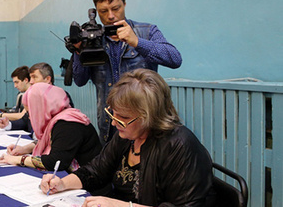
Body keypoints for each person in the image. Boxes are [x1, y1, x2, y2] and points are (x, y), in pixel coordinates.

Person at [40, 69, 214, 207]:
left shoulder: (179, 145)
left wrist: (120, 205)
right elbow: (96, 170)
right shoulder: (127, 135)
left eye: (122, 118)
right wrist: (62, 184)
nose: (114, 124)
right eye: (112, 114)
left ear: (149, 117)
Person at [72, 0, 182, 144]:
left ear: (124, 4)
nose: (110, 16)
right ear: (96, 12)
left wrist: (137, 42)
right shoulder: (92, 39)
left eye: (116, 9)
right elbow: (79, 80)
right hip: (110, 126)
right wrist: (79, 51)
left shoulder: (147, 31)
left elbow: (174, 59)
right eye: (103, 11)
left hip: (146, 124)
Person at [0, 83, 101, 173]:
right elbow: (54, 142)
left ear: (42, 107)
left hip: (92, 189)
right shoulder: (59, 119)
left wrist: (19, 160)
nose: (29, 117)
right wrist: (24, 149)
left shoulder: (67, 125)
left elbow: (55, 162)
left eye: (31, 112)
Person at [0, 62, 74, 131]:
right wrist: (8, 124)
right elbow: (26, 120)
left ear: (47, 79)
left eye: (35, 77)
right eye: (30, 78)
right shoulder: (34, 96)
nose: (31, 81)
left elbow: (61, 127)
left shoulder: (61, 97)